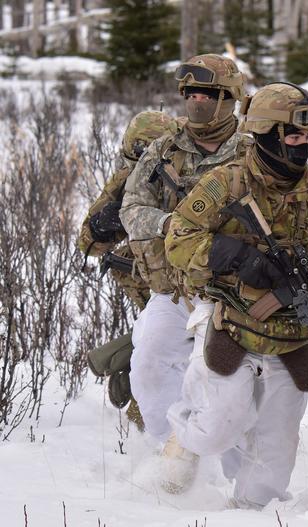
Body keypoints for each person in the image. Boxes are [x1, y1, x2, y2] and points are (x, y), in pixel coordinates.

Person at [163, 82, 308, 508]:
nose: (303, 143)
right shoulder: (227, 183)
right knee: (218, 426)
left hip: (291, 332)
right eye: (293, 135)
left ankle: (252, 512)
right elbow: (178, 239)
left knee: (277, 446)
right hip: (231, 320)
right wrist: (235, 256)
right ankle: (182, 440)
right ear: (266, 133)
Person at [118, 54, 248, 456]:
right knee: (149, 364)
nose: (197, 100)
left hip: (234, 293)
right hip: (175, 290)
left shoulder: (254, 151)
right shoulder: (163, 150)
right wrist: (169, 224)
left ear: (229, 97)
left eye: (207, 93)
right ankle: (171, 451)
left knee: (225, 382)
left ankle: (235, 471)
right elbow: (130, 208)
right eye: (190, 92)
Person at [79, 110, 178, 426]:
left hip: (192, 275)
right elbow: (87, 243)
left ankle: (126, 363)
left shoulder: (192, 172)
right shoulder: (126, 179)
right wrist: (104, 223)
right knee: (158, 345)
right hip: (148, 277)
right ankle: (143, 421)